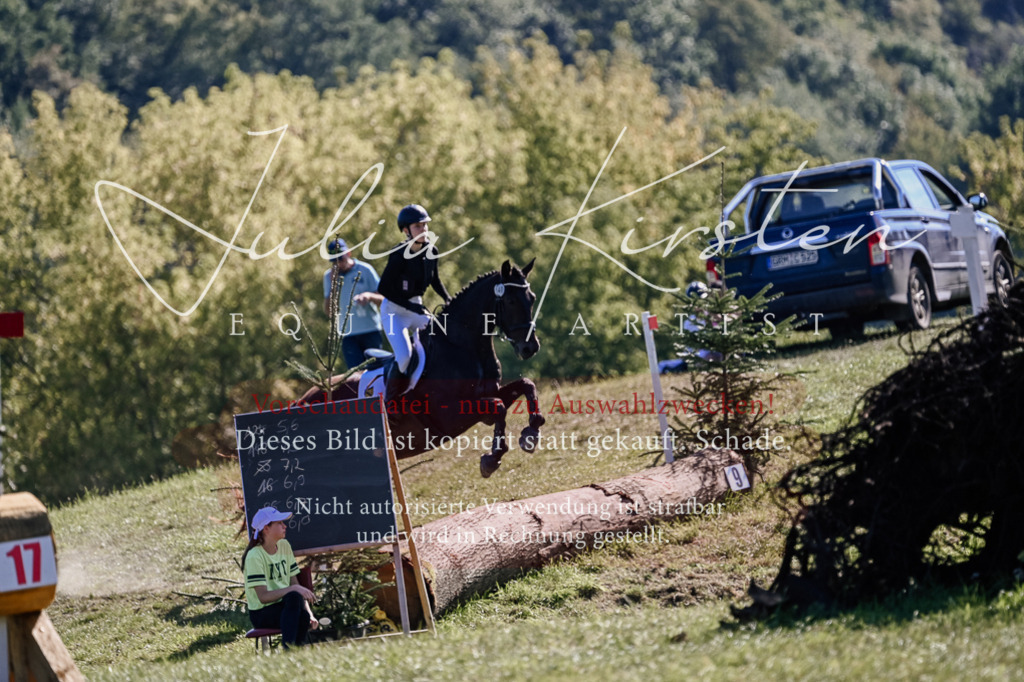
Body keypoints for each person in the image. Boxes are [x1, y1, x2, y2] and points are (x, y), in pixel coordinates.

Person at [377, 204, 452, 398]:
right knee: (404, 358)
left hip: (416, 308)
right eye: (418, 226)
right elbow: (383, 288)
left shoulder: (432, 251)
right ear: (406, 230)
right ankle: (390, 401)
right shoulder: (399, 254)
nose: (423, 230)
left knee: (444, 341)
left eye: (424, 225)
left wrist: (448, 298)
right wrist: (411, 306)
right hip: (394, 311)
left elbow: (435, 280)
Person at [242, 507, 318, 649]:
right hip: (261, 613)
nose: (285, 526)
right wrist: (293, 589)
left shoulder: (284, 546)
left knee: (303, 615)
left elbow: (296, 588)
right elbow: (263, 597)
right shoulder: (254, 556)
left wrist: (310, 613)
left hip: (287, 607)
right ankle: (289, 650)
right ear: (266, 528)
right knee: (293, 597)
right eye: (280, 523)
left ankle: (295, 654)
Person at [323, 238, 385, 370]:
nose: (338, 263)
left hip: (371, 330)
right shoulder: (328, 277)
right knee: (355, 376)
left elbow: (384, 300)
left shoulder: (366, 269)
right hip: (348, 335)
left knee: (377, 371)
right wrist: (333, 285)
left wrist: (369, 296)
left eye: (341, 258)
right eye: (334, 261)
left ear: (349, 253)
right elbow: (329, 312)